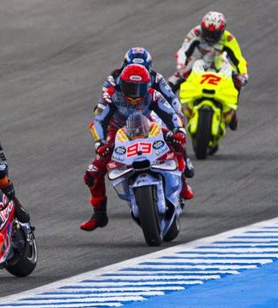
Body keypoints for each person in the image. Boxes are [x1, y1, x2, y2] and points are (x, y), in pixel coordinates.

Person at [81, 64, 193, 232]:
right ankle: (99, 214)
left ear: (147, 85)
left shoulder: (153, 95)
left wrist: (179, 131)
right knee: (92, 173)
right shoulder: (111, 97)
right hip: (118, 131)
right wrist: (100, 143)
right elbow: (98, 121)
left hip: (150, 126)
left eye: (139, 87)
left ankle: (182, 184)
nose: (134, 93)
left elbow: (171, 114)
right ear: (122, 85)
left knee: (176, 143)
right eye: (130, 87)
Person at [102, 47, 194, 178]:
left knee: (174, 133)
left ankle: (183, 159)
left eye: (143, 68)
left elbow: (171, 98)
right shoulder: (113, 80)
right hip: (119, 120)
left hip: (147, 115)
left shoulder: (156, 78)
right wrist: (101, 139)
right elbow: (104, 103)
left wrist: (177, 118)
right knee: (103, 156)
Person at [168, 11, 248, 130]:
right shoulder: (196, 32)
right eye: (207, 32)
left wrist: (243, 74)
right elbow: (183, 50)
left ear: (221, 31)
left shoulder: (229, 38)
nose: (210, 37)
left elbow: (238, 58)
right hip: (199, 60)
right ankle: (165, 108)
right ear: (202, 27)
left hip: (221, 62)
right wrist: (181, 65)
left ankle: (232, 108)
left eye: (214, 34)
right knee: (174, 79)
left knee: (238, 80)